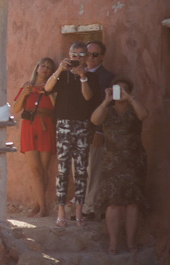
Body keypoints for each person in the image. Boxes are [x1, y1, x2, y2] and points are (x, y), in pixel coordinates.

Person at [89, 77, 148, 254]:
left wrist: (130, 98)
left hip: (134, 160)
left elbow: (144, 115)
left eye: (124, 89)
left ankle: (131, 243)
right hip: (112, 161)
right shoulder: (108, 111)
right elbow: (94, 120)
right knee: (113, 203)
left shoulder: (134, 108)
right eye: (117, 89)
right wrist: (106, 101)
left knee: (132, 203)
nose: (120, 92)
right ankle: (113, 244)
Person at [44, 42, 97, 227]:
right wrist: (59, 70)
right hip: (64, 124)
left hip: (82, 124)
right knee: (63, 169)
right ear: (69, 55)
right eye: (74, 54)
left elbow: (88, 97)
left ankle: (79, 213)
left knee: (82, 170)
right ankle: (61, 213)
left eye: (82, 55)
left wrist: (83, 77)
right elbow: (48, 88)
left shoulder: (92, 77)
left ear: (86, 57)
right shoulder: (62, 75)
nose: (78, 58)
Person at [13, 58, 57, 218]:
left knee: (44, 170)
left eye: (49, 67)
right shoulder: (27, 85)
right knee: (36, 170)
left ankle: (39, 206)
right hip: (29, 126)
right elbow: (16, 109)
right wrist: (23, 94)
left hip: (46, 126)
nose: (45, 69)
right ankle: (42, 207)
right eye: (42, 65)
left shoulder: (52, 86)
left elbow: (57, 108)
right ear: (37, 67)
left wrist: (49, 92)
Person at [82, 41, 118, 219]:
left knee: (93, 169)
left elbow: (112, 106)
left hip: (94, 130)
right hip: (77, 130)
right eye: (87, 54)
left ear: (102, 57)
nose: (90, 58)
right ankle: (81, 207)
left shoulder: (110, 78)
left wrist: (100, 131)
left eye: (95, 55)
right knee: (79, 170)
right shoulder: (77, 74)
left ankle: (90, 208)